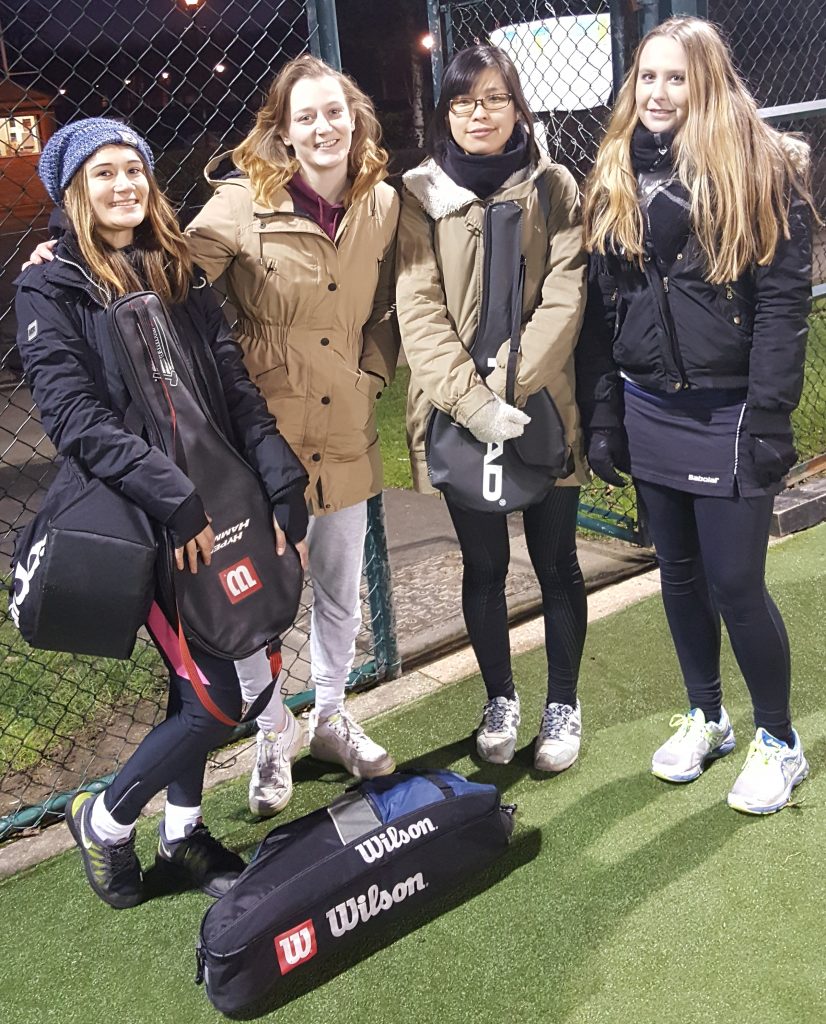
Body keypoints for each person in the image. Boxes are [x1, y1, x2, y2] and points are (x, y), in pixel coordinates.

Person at [26, 56, 401, 817]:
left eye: (336, 111)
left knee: (337, 588)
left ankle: (328, 716)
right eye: (306, 117)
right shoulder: (230, 213)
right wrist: (59, 252)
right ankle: (271, 734)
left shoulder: (383, 203)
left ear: (355, 117)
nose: (324, 127)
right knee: (251, 609)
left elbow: (390, 306)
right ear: (284, 131)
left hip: (341, 430)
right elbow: (156, 274)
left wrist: (371, 374)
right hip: (243, 456)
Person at [15, 118, 310, 909]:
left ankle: (180, 832)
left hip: (227, 497)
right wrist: (174, 502)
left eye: (134, 171)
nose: (124, 187)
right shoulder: (50, 283)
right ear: (76, 189)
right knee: (219, 693)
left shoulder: (177, 267)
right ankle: (106, 822)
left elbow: (232, 380)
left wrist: (281, 475)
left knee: (234, 672)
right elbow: (73, 417)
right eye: (104, 174)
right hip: (153, 517)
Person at [577, 17, 815, 813]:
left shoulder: (762, 171)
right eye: (647, 77)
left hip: (732, 411)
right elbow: (605, 310)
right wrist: (605, 416)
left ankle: (779, 740)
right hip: (649, 406)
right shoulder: (614, 171)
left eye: (676, 78)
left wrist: (772, 418)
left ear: (707, 81)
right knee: (676, 576)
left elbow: (783, 310)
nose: (658, 93)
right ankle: (707, 714)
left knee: (736, 581)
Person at [395, 46, 589, 771]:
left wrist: (510, 386)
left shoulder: (554, 185)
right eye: (463, 102)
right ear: (446, 112)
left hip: (545, 404)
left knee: (557, 562)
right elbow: (417, 307)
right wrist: (473, 403)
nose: (479, 114)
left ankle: (562, 703)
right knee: (483, 566)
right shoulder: (419, 194)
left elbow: (567, 293)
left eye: (494, 98)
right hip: (458, 416)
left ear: (517, 107)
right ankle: (500, 696)